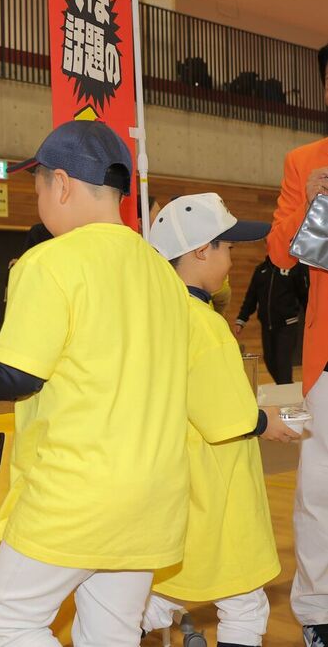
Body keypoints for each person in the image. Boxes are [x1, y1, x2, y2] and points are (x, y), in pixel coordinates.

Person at [0, 120, 197, 646]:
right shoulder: (160, 272)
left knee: (11, 619)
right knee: (111, 633)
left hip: (76, 492)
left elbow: (17, 375)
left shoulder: (50, 262)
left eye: (37, 189)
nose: (38, 201)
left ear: (60, 184)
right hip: (152, 494)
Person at [144, 193, 299, 647]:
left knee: (161, 595)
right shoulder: (206, 325)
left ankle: (103, 631)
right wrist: (265, 420)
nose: (232, 258)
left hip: (175, 483)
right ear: (199, 251)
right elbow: (224, 414)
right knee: (245, 603)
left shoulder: (159, 313)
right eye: (226, 247)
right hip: (218, 486)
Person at [266, 42, 328, 647]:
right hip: (326, 352)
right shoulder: (304, 161)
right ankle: (317, 614)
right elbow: (281, 254)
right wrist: (311, 198)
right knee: (317, 484)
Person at [235, 254, 309, 384]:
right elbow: (251, 297)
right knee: (270, 361)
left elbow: (304, 295)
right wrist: (242, 319)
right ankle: (285, 387)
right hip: (267, 325)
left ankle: (286, 396)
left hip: (287, 325)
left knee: (282, 364)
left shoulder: (294, 268)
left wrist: (310, 319)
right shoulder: (261, 270)